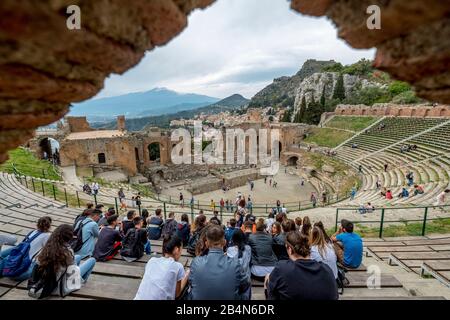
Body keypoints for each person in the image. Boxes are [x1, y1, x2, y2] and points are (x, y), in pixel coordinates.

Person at [29, 224, 96, 299]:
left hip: (46, 279)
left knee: (78, 257)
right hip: (58, 286)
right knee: (92, 260)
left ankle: (77, 282)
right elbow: (72, 270)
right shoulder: (67, 251)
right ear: (69, 237)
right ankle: (79, 283)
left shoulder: (47, 246)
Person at [266, 232, 338, 300]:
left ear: (290, 249)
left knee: (268, 277)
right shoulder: (326, 269)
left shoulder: (282, 268)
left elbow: (272, 292)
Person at [188, 225, 250, 300]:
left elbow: (191, 283)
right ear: (224, 242)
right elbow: (245, 284)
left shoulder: (196, 262)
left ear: (207, 244)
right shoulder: (235, 263)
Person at [134, 234, 189, 300]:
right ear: (177, 250)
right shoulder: (178, 266)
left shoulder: (152, 260)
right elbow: (177, 294)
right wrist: (186, 275)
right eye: (181, 250)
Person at [226, 230, 252, 299]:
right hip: (246, 280)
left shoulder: (229, 249)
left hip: (234, 280)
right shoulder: (248, 248)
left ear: (233, 239)